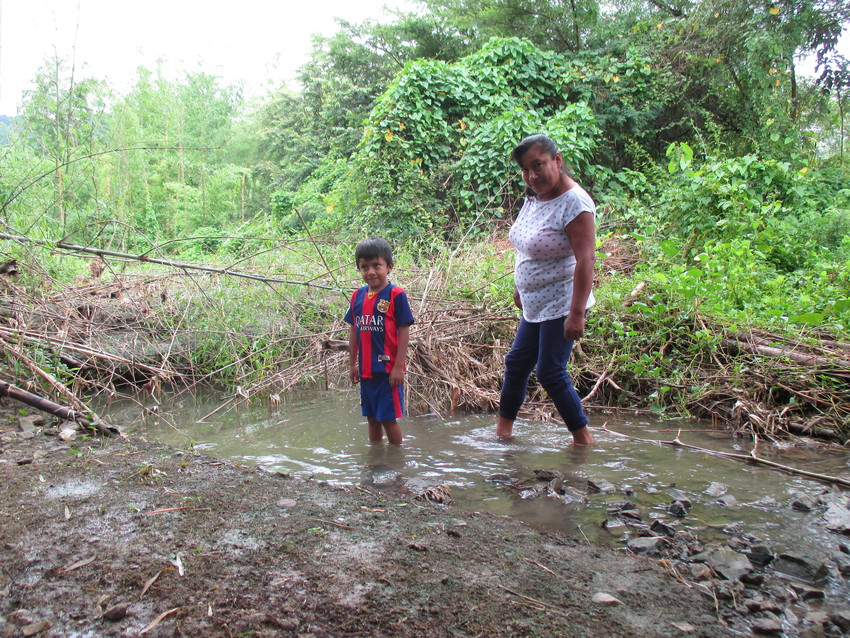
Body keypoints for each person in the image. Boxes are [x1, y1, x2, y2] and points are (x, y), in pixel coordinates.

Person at [495, 134, 596, 446]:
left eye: (538, 166)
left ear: (557, 160)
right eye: (525, 170)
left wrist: (576, 314)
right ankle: (502, 436)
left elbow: (586, 259)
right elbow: (525, 244)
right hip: (535, 304)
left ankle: (584, 442)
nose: (532, 176)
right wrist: (519, 286)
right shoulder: (534, 195)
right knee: (516, 364)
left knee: (550, 372)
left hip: (562, 302)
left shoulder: (575, 203)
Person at [344, 238, 415, 445]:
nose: (371, 272)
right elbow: (354, 330)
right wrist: (352, 364)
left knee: (388, 419)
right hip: (366, 372)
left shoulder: (396, 295)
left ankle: (396, 460)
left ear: (389, 267)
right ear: (359, 269)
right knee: (372, 418)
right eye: (364, 267)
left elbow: (404, 331)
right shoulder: (357, 296)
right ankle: (375, 459)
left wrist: (398, 367)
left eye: (377, 265)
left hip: (387, 371)